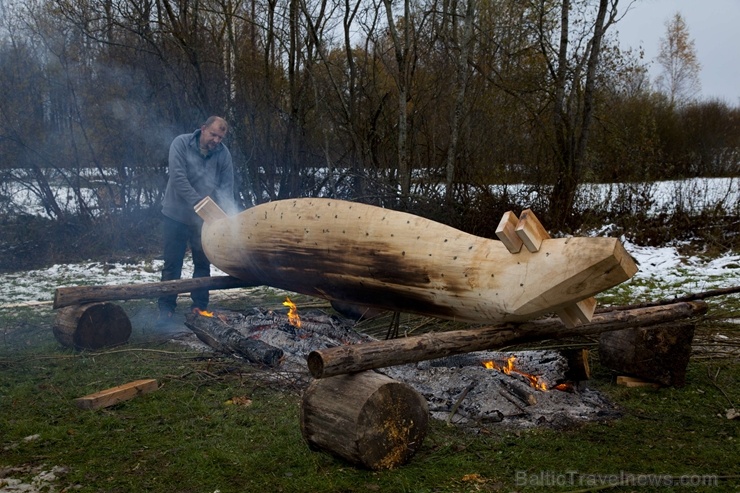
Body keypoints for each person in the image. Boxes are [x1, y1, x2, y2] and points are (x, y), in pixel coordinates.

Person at [157, 116, 235, 324]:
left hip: (203, 221)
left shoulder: (223, 154)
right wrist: (201, 204)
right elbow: (177, 177)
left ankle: (199, 307)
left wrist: (227, 216)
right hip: (175, 214)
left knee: (202, 263)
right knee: (172, 264)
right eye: (213, 134)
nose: (216, 140)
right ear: (203, 129)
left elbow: (226, 187)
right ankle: (166, 308)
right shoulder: (181, 143)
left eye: (220, 137)